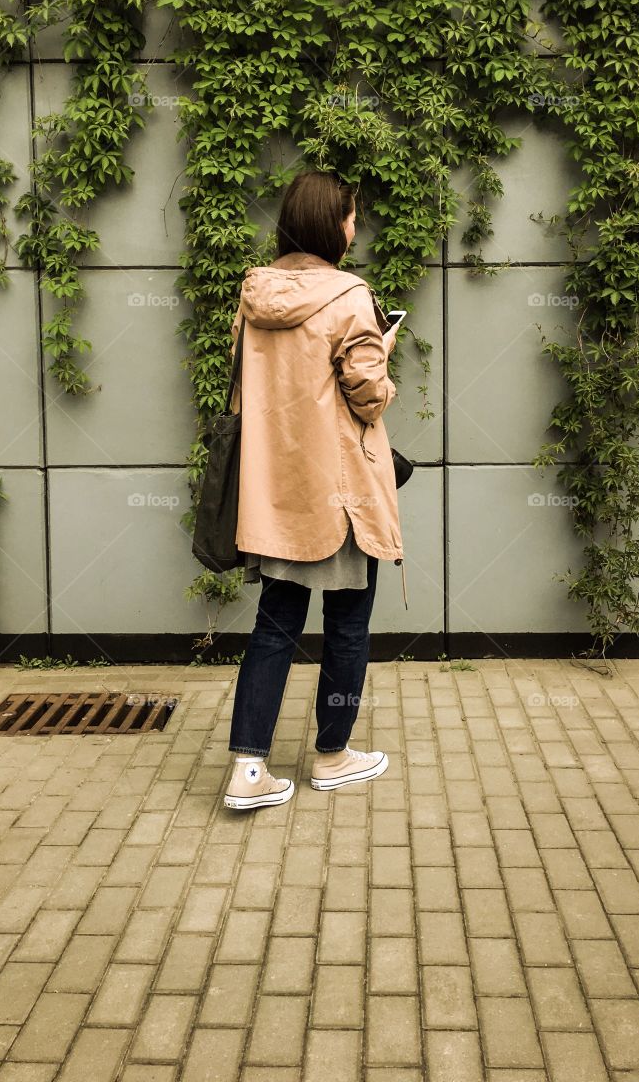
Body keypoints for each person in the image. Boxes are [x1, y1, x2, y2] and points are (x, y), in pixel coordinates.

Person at [222, 170, 405, 811]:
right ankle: (331, 756)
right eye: (352, 216)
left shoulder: (254, 293)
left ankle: (249, 770)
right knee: (348, 626)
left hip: (277, 490)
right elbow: (367, 394)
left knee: (274, 626)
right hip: (341, 492)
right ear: (333, 223)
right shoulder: (350, 295)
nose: (356, 228)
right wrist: (382, 351)